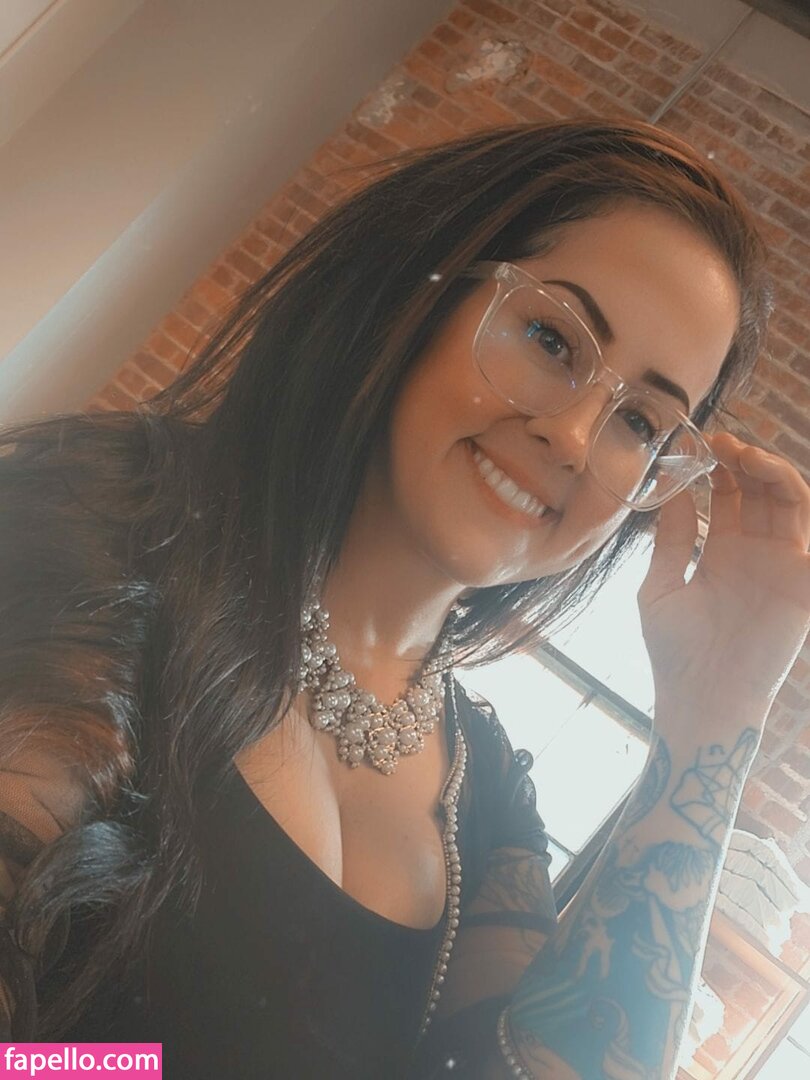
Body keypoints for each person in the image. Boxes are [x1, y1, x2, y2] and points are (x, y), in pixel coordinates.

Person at [0, 119, 808, 1079]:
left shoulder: (488, 798)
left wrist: (718, 708)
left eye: (640, 420)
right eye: (552, 337)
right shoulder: (112, 526)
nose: (574, 437)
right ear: (421, 290)